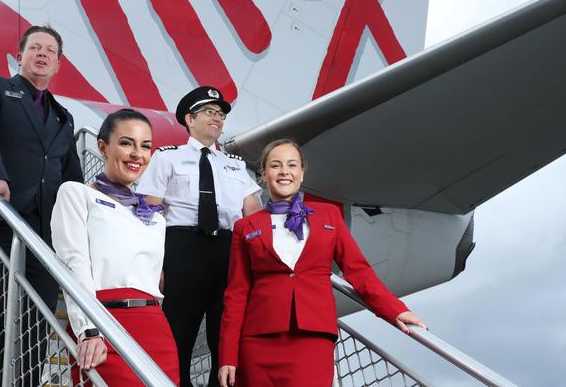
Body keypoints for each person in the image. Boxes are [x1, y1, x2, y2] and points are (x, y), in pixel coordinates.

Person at [218, 139, 427, 387]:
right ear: (263, 174)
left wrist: (394, 309)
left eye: (292, 165)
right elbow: (237, 293)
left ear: (302, 173)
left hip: (312, 337)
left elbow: (357, 270)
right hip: (258, 339)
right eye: (275, 165)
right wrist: (228, 355)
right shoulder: (246, 226)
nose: (284, 171)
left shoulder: (328, 216)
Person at [0, 25, 83, 385]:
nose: (43, 54)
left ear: (59, 64)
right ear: (21, 57)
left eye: (50, 50)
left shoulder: (64, 116)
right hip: (2, 216)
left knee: (37, 321)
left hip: (45, 232)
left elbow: (71, 176)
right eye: (35, 48)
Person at [136, 86, 262, 387]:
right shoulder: (167, 158)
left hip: (228, 250)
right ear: (190, 119)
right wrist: (154, 264)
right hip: (183, 247)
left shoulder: (235, 165)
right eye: (209, 112)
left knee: (227, 334)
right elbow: (149, 211)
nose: (217, 118)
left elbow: (254, 212)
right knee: (178, 331)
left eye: (220, 114)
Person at [50, 109, 180, 385]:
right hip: (104, 322)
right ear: (102, 147)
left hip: (156, 328)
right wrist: (88, 330)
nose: (137, 154)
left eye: (145, 146)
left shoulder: (154, 217)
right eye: (126, 143)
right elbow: (75, 264)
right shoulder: (76, 194)